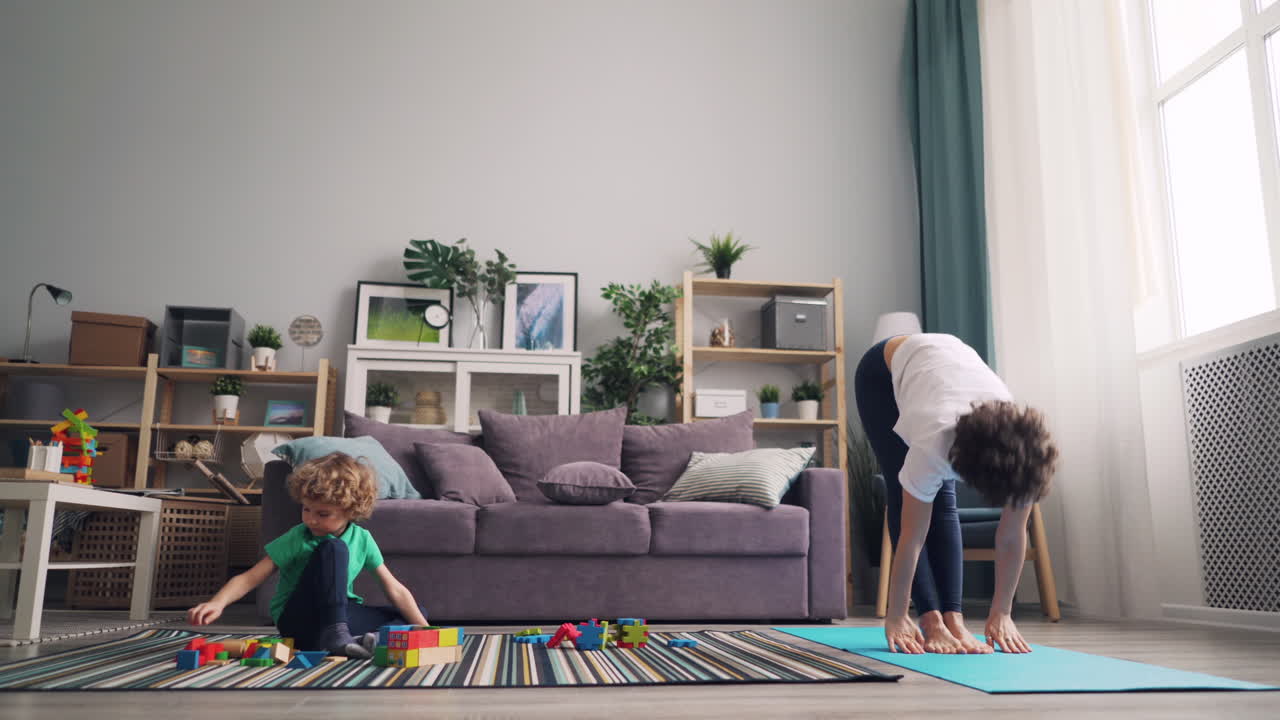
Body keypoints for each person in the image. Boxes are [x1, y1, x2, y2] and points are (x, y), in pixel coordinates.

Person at [854, 333, 1058, 655]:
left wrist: (1002, 612)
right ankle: (932, 621)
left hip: (945, 372)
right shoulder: (937, 441)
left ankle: (955, 621)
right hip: (883, 372)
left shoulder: (1028, 455)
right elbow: (912, 537)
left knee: (944, 500)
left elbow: (1011, 534)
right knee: (905, 486)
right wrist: (897, 615)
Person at [186, 452, 428, 657]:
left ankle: (367, 639)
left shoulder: (362, 538)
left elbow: (393, 588)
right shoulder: (299, 536)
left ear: (351, 510)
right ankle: (338, 637)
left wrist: (425, 630)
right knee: (333, 547)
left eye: (323, 514)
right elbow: (250, 577)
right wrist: (217, 603)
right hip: (299, 619)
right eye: (306, 509)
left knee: (415, 614)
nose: (311, 519)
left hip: (338, 616)